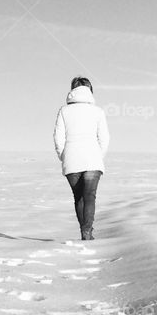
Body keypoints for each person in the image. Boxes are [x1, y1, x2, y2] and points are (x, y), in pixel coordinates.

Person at [53, 77, 110, 240]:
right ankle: (87, 232)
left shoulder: (64, 111)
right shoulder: (98, 111)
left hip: (71, 160)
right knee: (90, 196)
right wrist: (98, 156)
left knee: (79, 197)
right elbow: (104, 138)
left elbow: (58, 138)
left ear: (72, 91)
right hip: (93, 160)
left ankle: (84, 232)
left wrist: (64, 156)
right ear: (90, 91)